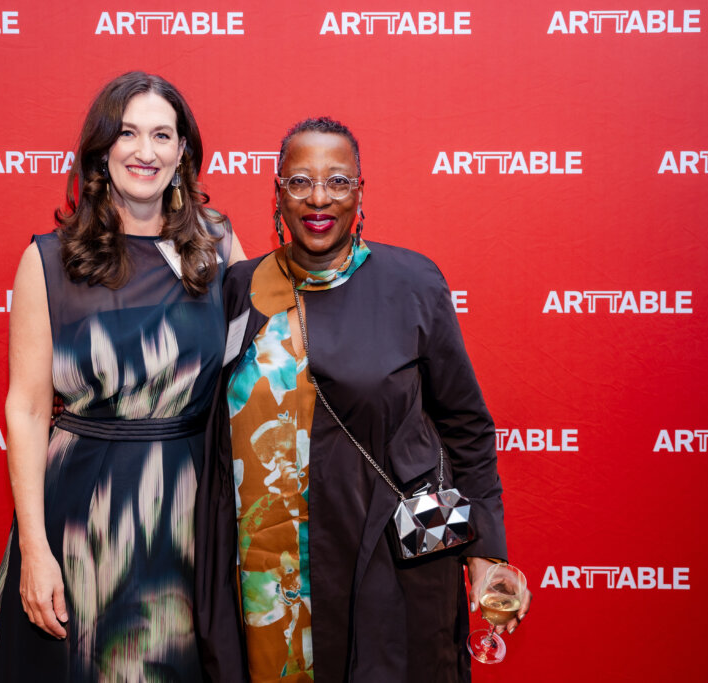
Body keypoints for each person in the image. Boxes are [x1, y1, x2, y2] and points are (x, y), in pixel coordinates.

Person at [195, 117, 530, 682]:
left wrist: (487, 552)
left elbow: (466, 426)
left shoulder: (413, 282)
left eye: (338, 181)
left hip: (383, 560)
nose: (318, 198)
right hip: (267, 571)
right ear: (277, 192)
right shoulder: (240, 289)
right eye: (299, 182)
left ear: (360, 192)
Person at [0, 71, 244, 682]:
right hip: (81, 517)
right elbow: (25, 409)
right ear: (101, 151)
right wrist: (36, 552)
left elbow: (257, 371)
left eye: (162, 135)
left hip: (189, 512)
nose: (144, 152)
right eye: (127, 133)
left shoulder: (218, 247)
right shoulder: (49, 259)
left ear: (183, 154)